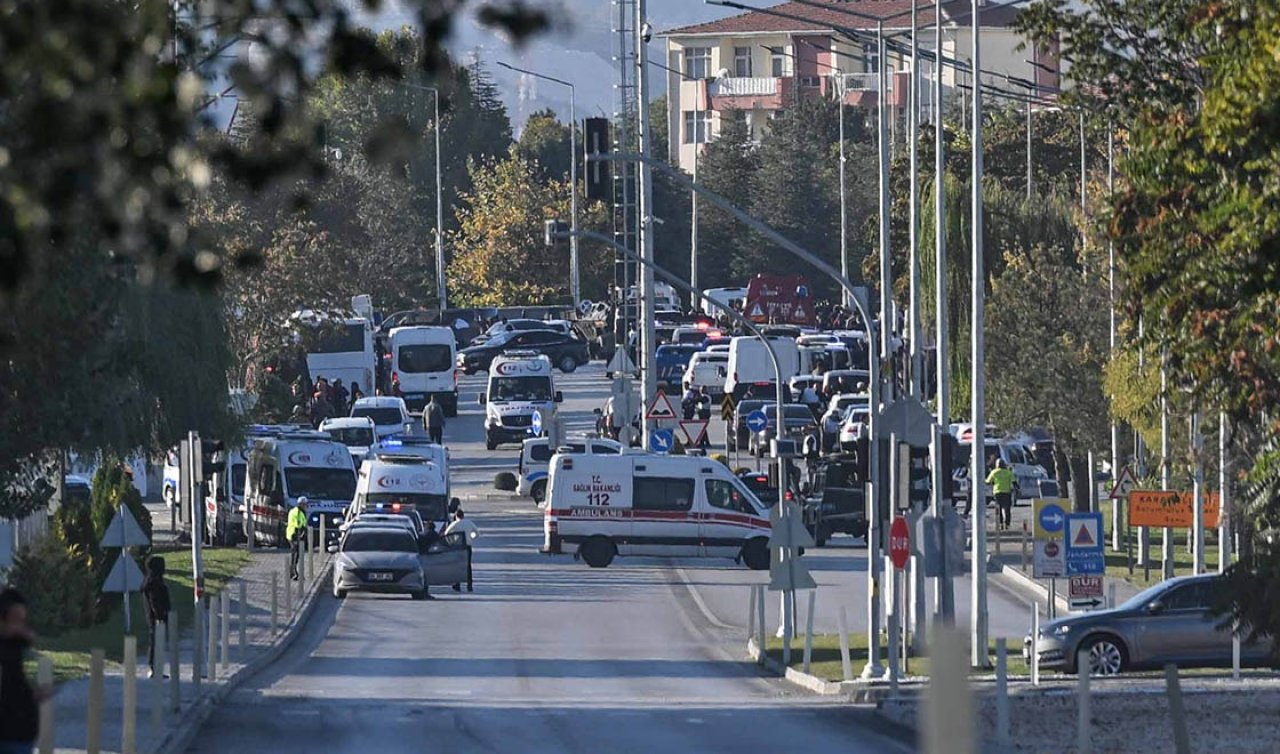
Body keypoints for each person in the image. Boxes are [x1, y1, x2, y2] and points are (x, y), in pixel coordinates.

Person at [0, 588, 47, 754]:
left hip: (21, 734)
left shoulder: (16, 645)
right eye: (16, 619)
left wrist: (31, 694)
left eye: (23, 619)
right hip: (8, 735)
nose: (21, 625)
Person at [141, 556, 171, 679]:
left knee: (157, 641)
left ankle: (156, 668)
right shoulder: (153, 583)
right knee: (155, 642)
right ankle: (154, 668)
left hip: (157, 617)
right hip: (157, 618)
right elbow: (154, 601)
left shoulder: (153, 581)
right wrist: (159, 615)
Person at [444, 509, 479, 593]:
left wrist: (451, 541)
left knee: (458, 565)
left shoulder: (455, 524)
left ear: (456, 516)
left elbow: (446, 533)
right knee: (468, 566)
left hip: (458, 547)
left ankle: (457, 584)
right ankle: (469, 585)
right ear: (463, 516)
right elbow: (477, 533)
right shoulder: (469, 523)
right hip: (468, 546)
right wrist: (471, 538)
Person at [985, 459, 1015, 530]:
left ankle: (1000, 523)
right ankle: (1007, 525)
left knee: (998, 509)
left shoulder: (994, 472)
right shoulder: (1008, 473)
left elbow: (987, 482)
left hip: (997, 492)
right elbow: (1014, 482)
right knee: (1007, 509)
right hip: (1007, 492)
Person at [287, 497, 309, 581]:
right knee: (295, 555)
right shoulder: (298, 512)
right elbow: (297, 525)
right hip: (294, 535)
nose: (306, 506)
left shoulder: (297, 511)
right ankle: (293, 573)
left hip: (293, 534)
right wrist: (300, 534)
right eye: (305, 504)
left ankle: (293, 572)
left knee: (296, 554)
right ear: (302, 504)